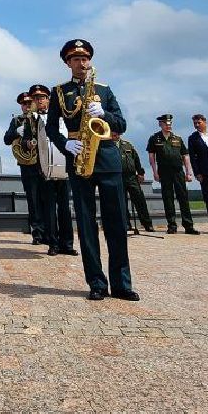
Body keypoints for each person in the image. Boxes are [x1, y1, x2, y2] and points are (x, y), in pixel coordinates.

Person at [45, 39, 138, 302]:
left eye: (85, 58)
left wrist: (104, 114)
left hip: (108, 159)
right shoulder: (60, 92)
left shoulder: (105, 90)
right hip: (79, 159)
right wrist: (66, 143)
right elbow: (51, 128)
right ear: (67, 63)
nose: (81, 63)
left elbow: (122, 123)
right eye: (75, 59)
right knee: (86, 224)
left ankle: (121, 284)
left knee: (117, 222)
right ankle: (97, 282)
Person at [30, 84, 75, 256]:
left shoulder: (60, 116)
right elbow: (28, 140)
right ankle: (53, 244)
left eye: (42, 97)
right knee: (49, 209)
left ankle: (67, 244)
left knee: (65, 208)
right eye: (36, 98)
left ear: (48, 99)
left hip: (63, 169)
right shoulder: (31, 119)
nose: (39, 101)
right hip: (44, 169)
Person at [5, 93, 46, 245]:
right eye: (24, 104)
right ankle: (37, 233)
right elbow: (6, 140)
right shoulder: (16, 121)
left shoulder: (40, 118)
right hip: (27, 165)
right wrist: (16, 132)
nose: (27, 106)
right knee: (33, 200)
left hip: (43, 163)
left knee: (46, 198)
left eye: (29, 103)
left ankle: (49, 232)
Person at [147, 114, 197, 234]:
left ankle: (188, 225)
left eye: (170, 123)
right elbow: (151, 156)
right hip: (164, 172)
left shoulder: (178, 138)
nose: (168, 125)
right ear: (160, 124)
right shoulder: (154, 138)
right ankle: (172, 225)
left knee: (183, 198)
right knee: (168, 198)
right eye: (166, 123)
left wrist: (189, 172)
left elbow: (185, 156)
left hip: (178, 171)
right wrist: (154, 172)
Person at [110, 121, 154, 233]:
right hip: (117, 176)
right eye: (113, 132)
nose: (115, 134)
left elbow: (136, 159)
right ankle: (126, 224)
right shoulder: (107, 145)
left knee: (140, 200)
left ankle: (147, 223)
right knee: (122, 202)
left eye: (117, 132)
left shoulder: (127, 145)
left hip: (131, 177)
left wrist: (140, 173)